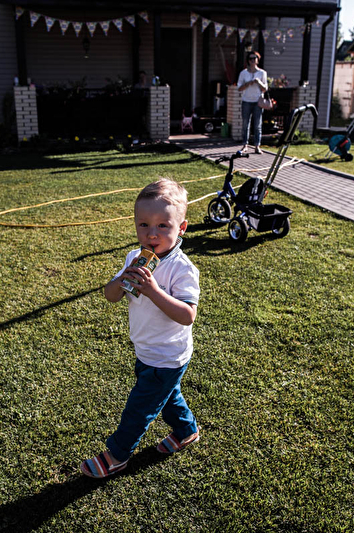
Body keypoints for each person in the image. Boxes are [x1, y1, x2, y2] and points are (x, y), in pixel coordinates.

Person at [80, 179, 201, 479]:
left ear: (182, 228)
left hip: (167, 355)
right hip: (145, 349)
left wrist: (153, 290)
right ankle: (186, 430)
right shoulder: (135, 258)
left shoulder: (182, 269)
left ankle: (118, 455)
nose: (151, 234)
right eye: (144, 225)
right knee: (167, 396)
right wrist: (122, 280)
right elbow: (111, 295)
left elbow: (187, 315)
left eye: (163, 226)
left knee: (140, 408)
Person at [236, 52, 268, 154]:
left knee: (257, 125)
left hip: (258, 102)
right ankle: (245, 145)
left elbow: (265, 89)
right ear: (248, 61)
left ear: (258, 60)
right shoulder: (243, 73)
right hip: (246, 101)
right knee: (245, 124)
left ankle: (257, 146)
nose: (253, 60)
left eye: (255, 58)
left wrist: (259, 82)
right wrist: (248, 84)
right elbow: (239, 88)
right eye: (250, 59)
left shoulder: (262, 73)